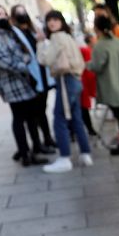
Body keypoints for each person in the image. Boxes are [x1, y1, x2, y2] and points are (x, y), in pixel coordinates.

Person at [0, 3, 47, 166]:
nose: (2, 17)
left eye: (3, 14)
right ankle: (25, 154)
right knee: (20, 117)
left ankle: (33, 149)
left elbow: (24, 53)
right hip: (10, 84)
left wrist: (24, 60)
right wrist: (23, 64)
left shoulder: (7, 32)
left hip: (22, 81)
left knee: (30, 117)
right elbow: (2, 60)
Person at [36, 10, 93, 173]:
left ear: (61, 21)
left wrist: (40, 43)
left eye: (55, 19)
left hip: (65, 80)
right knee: (76, 118)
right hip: (76, 80)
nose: (52, 23)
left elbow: (44, 60)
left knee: (59, 118)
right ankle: (85, 153)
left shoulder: (57, 38)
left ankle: (64, 158)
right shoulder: (69, 37)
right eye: (49, 20)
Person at [10, 4, 56, 152]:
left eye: (23, 11)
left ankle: (48, 138)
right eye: (18, 12)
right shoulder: (14, 33)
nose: (21, 14)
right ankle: (38, 144)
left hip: (43, 74)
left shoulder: (32, 30)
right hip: (31, 77)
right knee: (34, 112)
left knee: (43, 109)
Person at [87, 15, 119, 155]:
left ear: (96, 28)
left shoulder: (100, 45)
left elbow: (96, 66)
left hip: (113, 85)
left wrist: (87, 64)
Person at [78, 32, 98, 136]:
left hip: (86, 81)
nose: (96, 40)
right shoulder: (86, 51)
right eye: (94, 38)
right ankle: (89, 128)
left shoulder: (90, 50)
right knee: (83, 106)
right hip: (84, 81)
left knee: (83, 106)